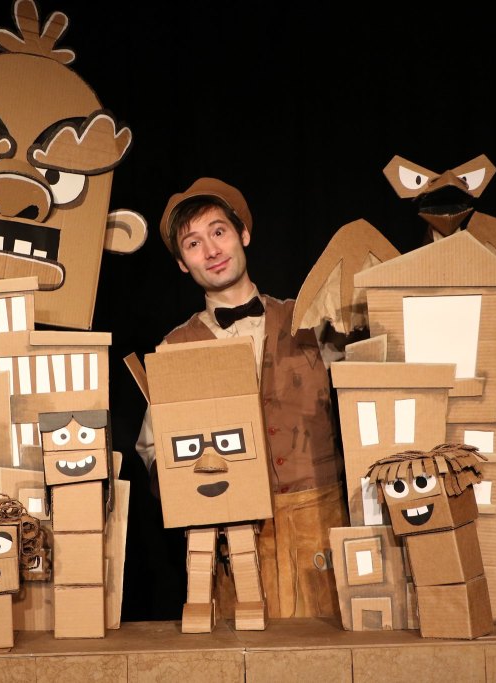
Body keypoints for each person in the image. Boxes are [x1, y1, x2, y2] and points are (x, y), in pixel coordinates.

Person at [136, 177, 349, 619]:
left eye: (219, 232)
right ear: (181, 263)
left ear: (243, 235)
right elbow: (154, 447)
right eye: (193, 243)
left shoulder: (311, 320)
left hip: (321, 531)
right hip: (235, 544)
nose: (211, 251)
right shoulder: (175, 348)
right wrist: (189, 493)